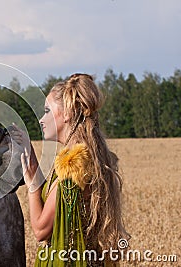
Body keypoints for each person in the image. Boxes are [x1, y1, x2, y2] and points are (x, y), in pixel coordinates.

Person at [11, 73, 129, 267]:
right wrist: (30, 153)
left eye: (47, 111)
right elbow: (55, 203)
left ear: (67, 114)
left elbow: (41, 230)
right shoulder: (88, 156)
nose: (41, 119)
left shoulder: (73, 167)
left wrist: (32, 187)